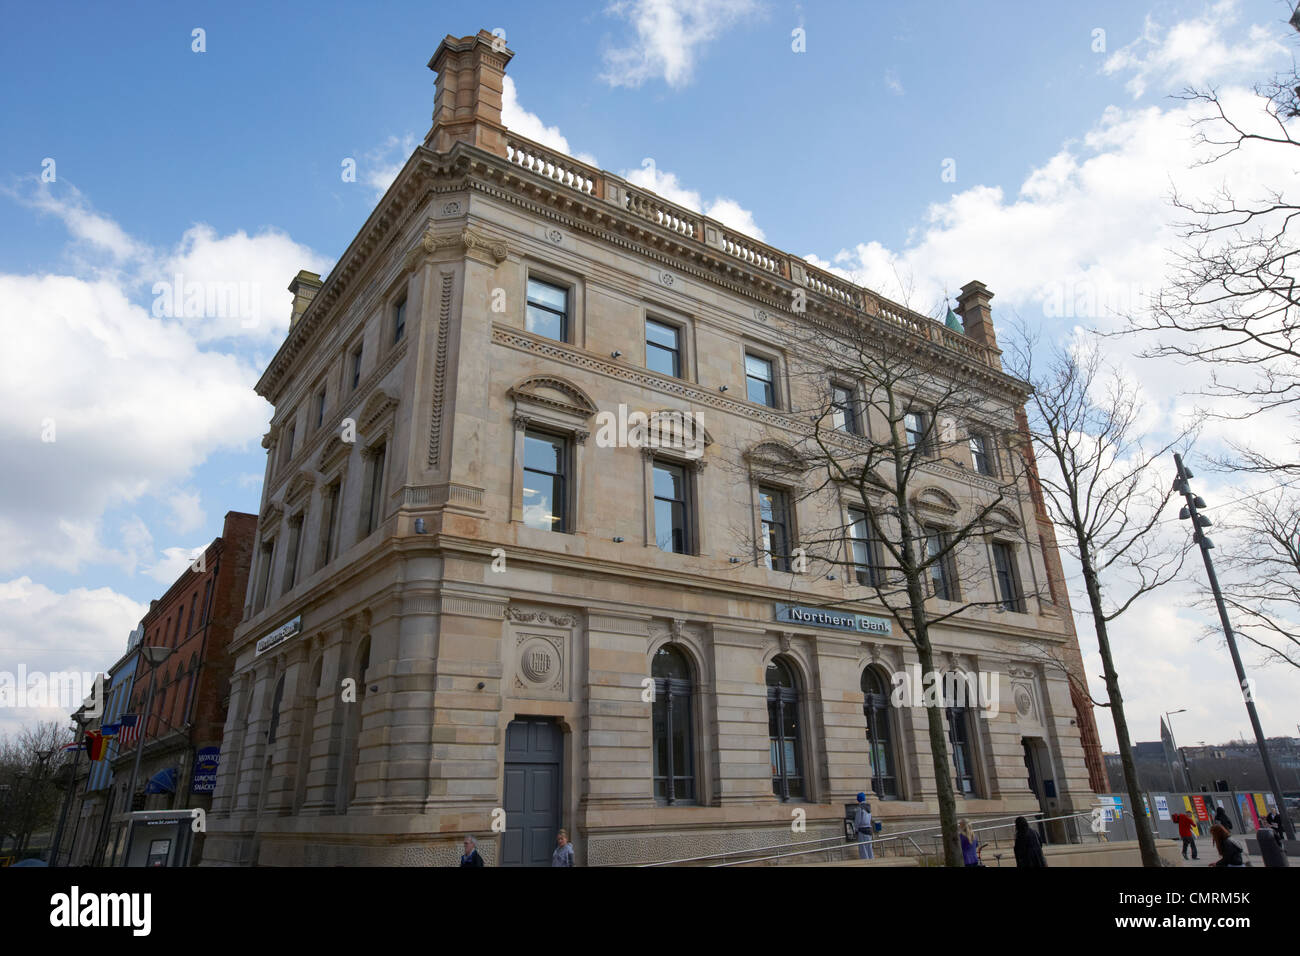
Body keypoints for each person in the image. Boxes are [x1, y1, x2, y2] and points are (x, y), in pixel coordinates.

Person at [852, 792, 874, 860]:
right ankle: (872, 860)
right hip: (869, 829)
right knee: (869, 847)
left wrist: (855, 829)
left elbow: (857, 820)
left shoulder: (860, 808)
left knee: (863, 848)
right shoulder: (869, 807)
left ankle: (865, 862)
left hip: (862, 829)